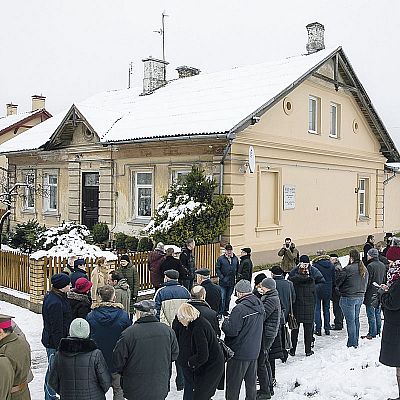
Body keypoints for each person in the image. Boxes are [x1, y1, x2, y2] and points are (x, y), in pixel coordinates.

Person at [113, 300, 179, 400]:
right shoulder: (168, 331)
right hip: (160, 384)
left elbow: (118, 361)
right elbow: (174, 354)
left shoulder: (128, 333)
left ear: (139, 313)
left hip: (134, 387)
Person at [173, 286, 221, 400]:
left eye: (180, 318)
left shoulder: (199, 327)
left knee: (198, 391)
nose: (179, 320)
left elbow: (203, 353)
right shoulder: (192, 316)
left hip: (205, 363)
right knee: (196, 389)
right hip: (196, 361)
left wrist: (190, 362)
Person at [222, 279, 265, 400]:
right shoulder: (259, 304)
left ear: (239, 293)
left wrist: (225, 323)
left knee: (233, 386)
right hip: (254, 351)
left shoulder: (240, 309)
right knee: (251, 384)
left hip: (239, 353)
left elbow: (232, 331)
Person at [86, 285, 131, 400]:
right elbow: (128, 338)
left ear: (100, 297)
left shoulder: (90, 316)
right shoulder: (124, 316)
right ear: (114, 297)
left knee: (98, 390)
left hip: (98, 360)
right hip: (118, 360)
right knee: (118, 389)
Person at [48, 318, 111, 399]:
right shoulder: (96, 354)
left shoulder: (59, 355)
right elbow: (106, 382)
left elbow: (52, 381)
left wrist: (64, 392)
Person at [154, 269, 190, 390]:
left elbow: (156, 311)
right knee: (180, 356)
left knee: (166, 359)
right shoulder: (185, 291)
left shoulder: (161, 292)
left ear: (167, 278)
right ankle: (181, 383)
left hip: (166, 330)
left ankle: (166, 385)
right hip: (182, 329)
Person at [42, 273, 72, 400]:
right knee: (53, 373)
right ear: (61, 286)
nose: (71, 286)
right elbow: (56, 328)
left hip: (53, 341)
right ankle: (50, 397)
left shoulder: (57, 296)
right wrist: (59, 346)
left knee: (52, 371)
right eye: (68, 284)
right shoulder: (55, 303)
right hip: (54, 344)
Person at [288, 255, 325, 356]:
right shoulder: (308, 276)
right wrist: (312, 289)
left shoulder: (296, 276)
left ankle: (298, 350)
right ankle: (302, 350)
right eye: (303, 264)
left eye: (306, 264)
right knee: (302, 330)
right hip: (305, 305)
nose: (305, 265)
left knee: (300, 330)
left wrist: (313, 289)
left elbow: (321, 282)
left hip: (301, 305)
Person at [336, 249, 369, 348]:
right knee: (355, 319)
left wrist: (339, 290)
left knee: (350, 321)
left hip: (348, 297)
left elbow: (338, 281)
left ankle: (352, 343)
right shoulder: (364, 269)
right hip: (360, 296)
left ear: (351, 257)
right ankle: (355, 341)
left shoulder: (348, 269)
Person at [378, 260, 400, 400]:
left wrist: (383, 293)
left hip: (397, 329)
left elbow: (393, 303)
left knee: (399, 363)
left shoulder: (398, 284)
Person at [257, 278, 281, 400]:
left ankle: (265, 390)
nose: (261, 288)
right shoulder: (272, 297)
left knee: (261, 362)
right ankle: (268, 387)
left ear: (267, 287)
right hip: (269, 332)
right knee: (265, 360)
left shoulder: (271, 299)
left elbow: (263, 315)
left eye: (263, 286)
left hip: (267, 333)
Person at [0, 314, 31, 400]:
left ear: (1, 332)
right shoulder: (22, 341)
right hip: (23, 393)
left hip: (11, 396)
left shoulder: (4, 351)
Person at [271, 265, 295, 362]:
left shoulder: (272, 284)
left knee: (275, 334)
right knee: (283, 332)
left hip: (275, 313)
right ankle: (284, 352)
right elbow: (293, 298)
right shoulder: (289, 284)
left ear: (273, 274)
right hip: (286, 312)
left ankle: (276, 352)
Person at [362, 248, 386, 339]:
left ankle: (372, 332)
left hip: (371, 293)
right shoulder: (382, 265)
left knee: (371, 314)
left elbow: (368, 280)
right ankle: (378, 331)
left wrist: (365, 290)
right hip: (379, 291)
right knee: (377, 313)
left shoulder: (370, 266)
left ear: (371, 255)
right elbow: (384, 279)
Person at [312, 250, 335, 336]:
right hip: (328, 288)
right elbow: (334, 277)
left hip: (318, 288)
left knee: (317, 309)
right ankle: (327, 328)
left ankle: (318, 329)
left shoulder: (315, 265)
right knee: (327, 309)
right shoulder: (331, 265)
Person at [216, 244, 239, 317]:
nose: (229, 252)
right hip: (223, 282)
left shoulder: (235, 259)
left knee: (228, 297)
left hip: (232, 282)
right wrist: (222, 277)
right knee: (222, 297)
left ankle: (226, 310)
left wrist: (237, 277)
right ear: (225, 251)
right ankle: (220, 312)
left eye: (230, 250)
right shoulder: (221, 259)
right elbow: (217, 269)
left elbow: (237, 269)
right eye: (228, 250)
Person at [329, 254, 344, 330]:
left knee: (337, 308)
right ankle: (339, 322)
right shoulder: (339, 266)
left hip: (336, 291)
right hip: (338, 290)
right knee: (338, 307)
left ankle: (338, 323)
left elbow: (336, 280)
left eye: (331, 259)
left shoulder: (336, 268)